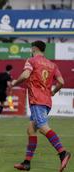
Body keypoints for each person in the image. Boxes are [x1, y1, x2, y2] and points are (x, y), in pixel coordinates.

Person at [11, 40, 71, 171]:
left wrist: (14, 83)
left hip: (37, 100)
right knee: (31, 130)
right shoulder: (52, 64)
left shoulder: (31, 60)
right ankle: (27, 163)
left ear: (34, 48)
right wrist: (53, 92)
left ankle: (63, 152)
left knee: (43, 128)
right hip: (46, 101)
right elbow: (61, 82)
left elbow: (26, 74)